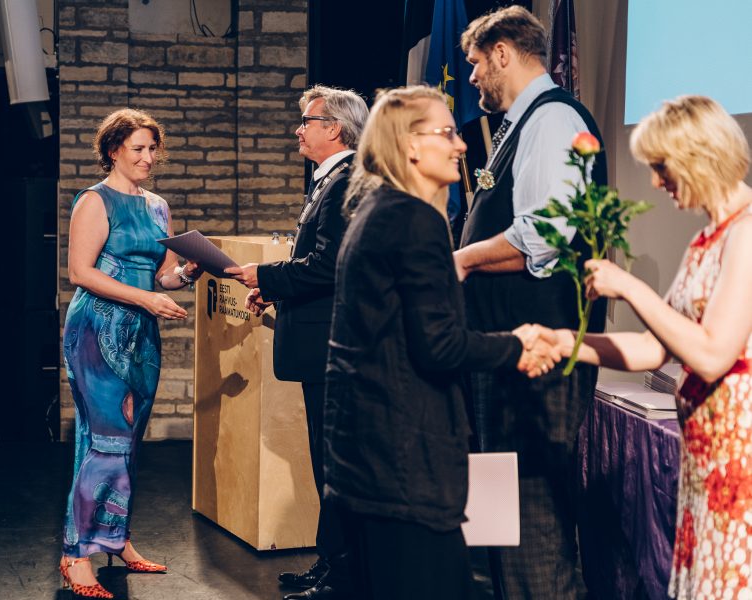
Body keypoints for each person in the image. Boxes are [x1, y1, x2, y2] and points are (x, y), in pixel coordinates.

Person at [323, 85, 560, 600]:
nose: (461, 145)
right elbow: (440, 346)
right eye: (448, 133)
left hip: (366, 462)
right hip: (403, 465)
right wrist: (517, 345)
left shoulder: (375, 211)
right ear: (410, 145)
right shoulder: (414, 219)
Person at [558, 95, 752, 600]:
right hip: (707, 458)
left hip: (741, 463)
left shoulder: (748, 234)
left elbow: (712, 355)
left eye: (662, 166)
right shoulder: (708, 239)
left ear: (699, 156)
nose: (655, 181)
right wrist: (568, 343)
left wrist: (628, 286)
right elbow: (653, 347)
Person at [452, 7, 608, 597]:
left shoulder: (553, 118)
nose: (471, 77)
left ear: (502, 53)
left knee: (532, 522)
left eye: (475, 63)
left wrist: (462, 259)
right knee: (498, 524)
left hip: (538, 356)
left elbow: (546, 233)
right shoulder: (521, 125)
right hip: (503, 351)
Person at [226, 84, 369, 600]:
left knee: (334, 465)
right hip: (317, 345)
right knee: (323, 463)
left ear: (335, 128)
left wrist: (265, 274)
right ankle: (330, 564)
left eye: (306, 121)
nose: (298, 130)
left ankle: (344, 577)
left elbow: (329, 265)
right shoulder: (328, 180)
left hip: (331, 347)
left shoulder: (346, 181)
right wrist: (273, 288)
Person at [60, 108, 201, 599]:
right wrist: (146, 298)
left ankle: (115, 538)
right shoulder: (94, 201)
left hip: (141, 332)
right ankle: (77, 553)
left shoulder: (158, 206)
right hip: (97, 330)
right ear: (113, 150)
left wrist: (186, 273)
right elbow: (80, 272)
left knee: (129, 439)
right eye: (138, 148)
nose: (148, 157)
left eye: (152, 148)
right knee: (104, 441)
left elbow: (163, 275)